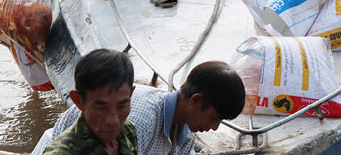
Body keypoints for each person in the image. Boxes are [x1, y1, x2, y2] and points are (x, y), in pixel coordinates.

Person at [32, 61, 246, 155]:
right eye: (214, 118)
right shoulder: (139, 119)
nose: (215, 128)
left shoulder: (185, 136)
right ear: (196, 101)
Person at [43, 49, 138, 155]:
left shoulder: (127, 130)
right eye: (101, 108)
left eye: (121, 106)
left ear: (131, 94)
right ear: (78, 100)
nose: (113, 121)